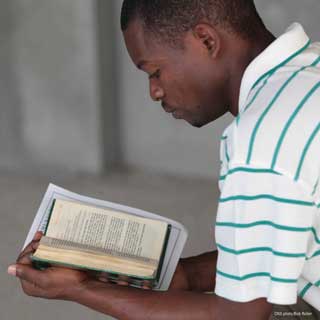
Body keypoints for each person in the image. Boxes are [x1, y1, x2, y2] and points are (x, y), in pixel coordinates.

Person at [8, 1, 320, 319]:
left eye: (155, 72)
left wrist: (79, 289)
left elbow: (237, 315)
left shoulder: (263, 140)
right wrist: (185, 276)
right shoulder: (308, 68)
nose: (154, 92)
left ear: (207, 41)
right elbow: (276, 241)